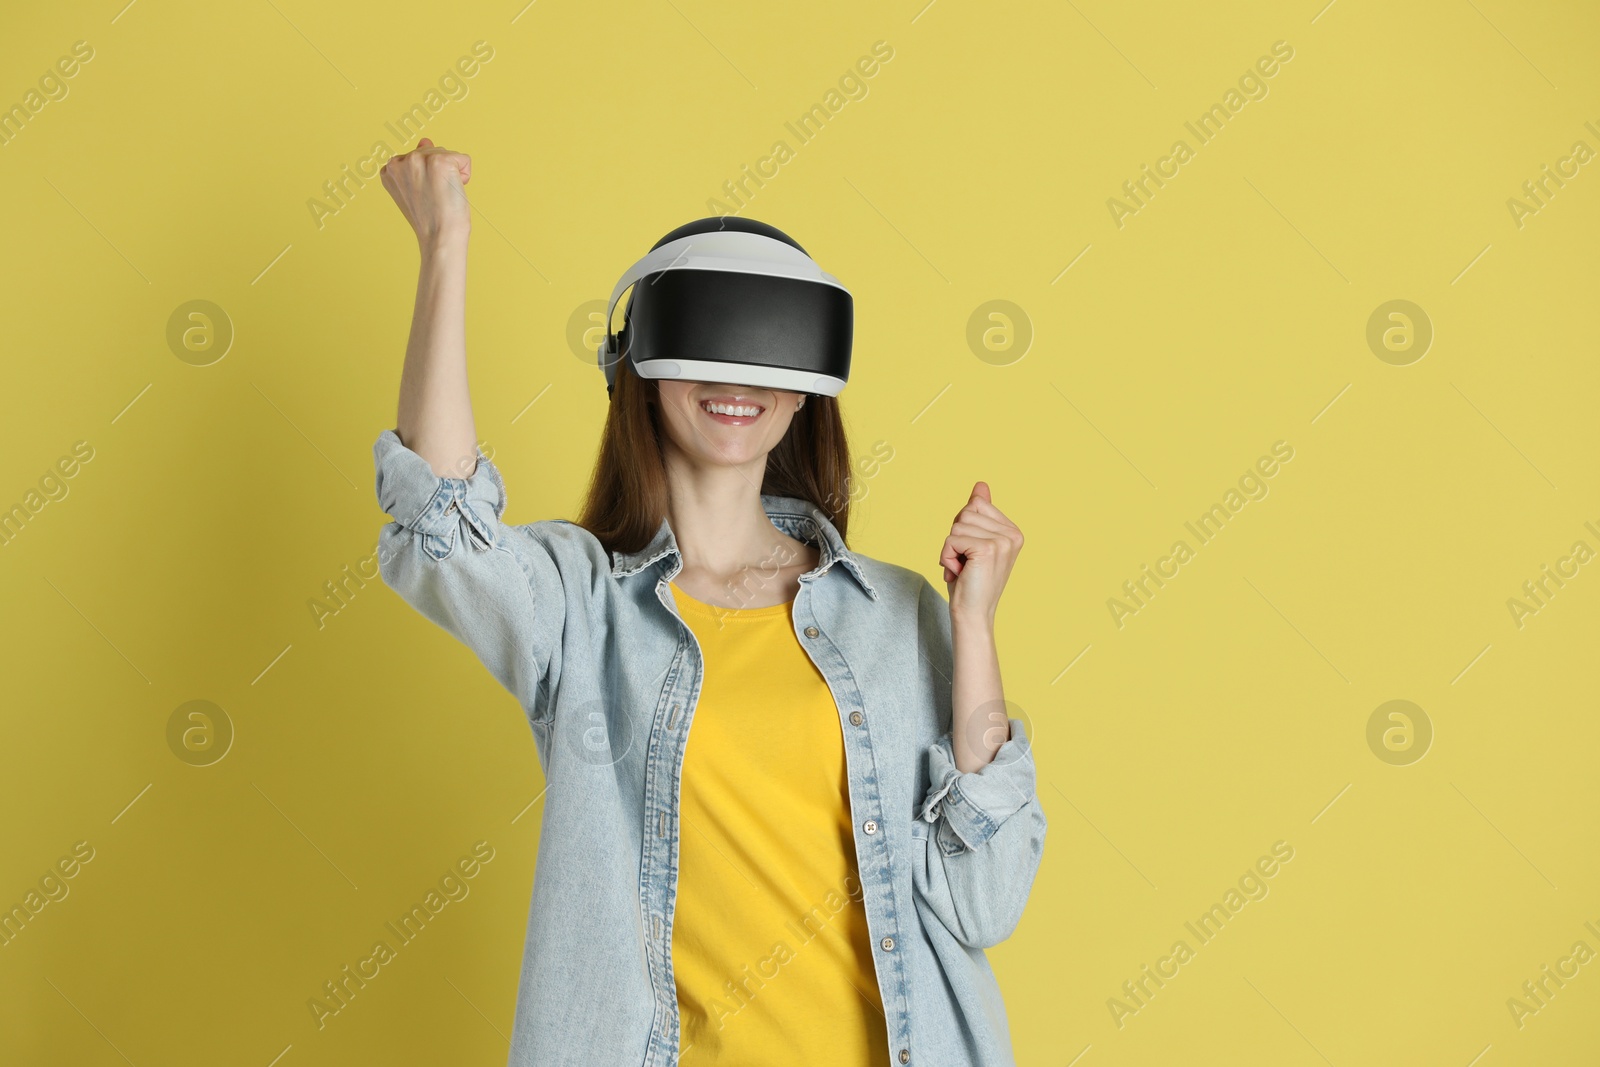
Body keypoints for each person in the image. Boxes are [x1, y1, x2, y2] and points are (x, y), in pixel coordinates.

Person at [373, 137, 1047, 1067]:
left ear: (807, 390)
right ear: (639, 367)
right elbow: (443, 524)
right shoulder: (582, 604)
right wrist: (444, 245)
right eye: (706, 341)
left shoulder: (896, 613)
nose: (740, 380)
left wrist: (972, 628)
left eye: (771, 353)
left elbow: (984, 900)